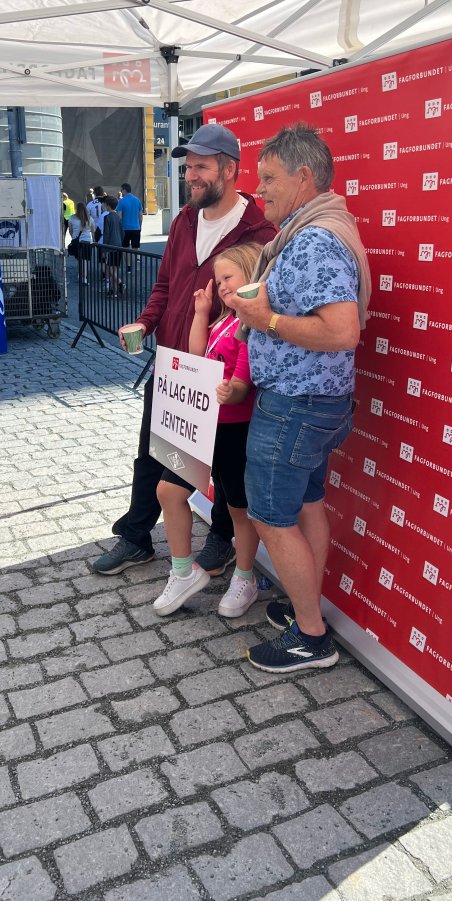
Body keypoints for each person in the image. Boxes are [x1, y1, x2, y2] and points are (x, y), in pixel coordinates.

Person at [92, 122, 275, 576]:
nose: (190, 175)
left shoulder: (260, 229)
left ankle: (221, 538)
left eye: (200, 167)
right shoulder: (184, 220)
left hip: (223, 367)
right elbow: (166, 286)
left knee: (227, 465)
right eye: (188, 167)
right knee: (154, 453)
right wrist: (145, 321)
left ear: (229, 170)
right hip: (173, 362)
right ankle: (136, 537)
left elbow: (259, 306)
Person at [230, 123, 371, 674]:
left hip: (296, 403)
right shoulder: (312, 229)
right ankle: (301, 602)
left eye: (269, 179)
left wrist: (265, 318)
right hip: (315, 402)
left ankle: (310, 639)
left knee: (269, 515)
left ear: (304, 177)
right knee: (308, 503)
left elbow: (341, 331)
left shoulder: (313, 239)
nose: (258, 190)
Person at [153, 243, 263, 618]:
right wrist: (202, 312)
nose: (221, 287)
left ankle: (245, 577)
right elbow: (198, 354)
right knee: (168, 490)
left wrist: (234, 389)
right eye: (218, 281)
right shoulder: (224, 320)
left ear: (252, 276)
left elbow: (243, 381)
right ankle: (183, 571)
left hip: (234, 431)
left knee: (239, 507)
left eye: (228, 278)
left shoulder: (251, 325)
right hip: (200, 427)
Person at [102, 194, 124, 296]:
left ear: (108, 206)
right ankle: (115, 291)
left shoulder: (107, 218)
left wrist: (104, 249)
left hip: (111, 246)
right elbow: (122, 232)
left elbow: (106, 234)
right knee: (115, 268)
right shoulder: (118, 217)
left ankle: (119, 283)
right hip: (119, 245)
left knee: (110, 269)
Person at [67, 200, 93, 284]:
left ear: (76, 209)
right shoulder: (89, 218)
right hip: (87, 241)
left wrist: (74, 237)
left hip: (77, 242)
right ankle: (84, 278)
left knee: (79, 260)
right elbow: (93, 230)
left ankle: (80, 275)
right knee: (85, 260)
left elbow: (70, 230)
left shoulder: (72, 218)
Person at [117, 182, 143, 251]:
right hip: (136, 227)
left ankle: (128, 262)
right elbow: (140, 216)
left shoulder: (121, 201)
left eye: (121, 190)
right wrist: (140, 226)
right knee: (135, 247)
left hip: (125, 228)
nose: (121, 192)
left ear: (124, 190)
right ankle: (136, 261)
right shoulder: (137, 200)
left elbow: (119, 216)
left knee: (125, 248)